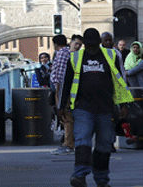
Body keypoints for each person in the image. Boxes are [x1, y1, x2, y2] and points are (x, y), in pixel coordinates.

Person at [61, 28, 133, 187]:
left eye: (95, 45)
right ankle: (79, 175)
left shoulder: (111, 55)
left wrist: (123, 105)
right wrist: (61, 107)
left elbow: (120, 81)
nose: (92, 48)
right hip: (82, 108)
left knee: (104, 145)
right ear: (84, 44)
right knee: (82, 140)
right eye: (89, 45)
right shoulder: (75, 58)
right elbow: (66, 83)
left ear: (99, 43)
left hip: (106, 108)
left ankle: (101, 179)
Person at [50, 34, 74, 155]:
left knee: (65, 115)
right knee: (67, 116)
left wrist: (58, 92)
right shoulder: (68, 52)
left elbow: (60, 75)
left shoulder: (61, 54)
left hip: (62, 89)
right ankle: (68, 141)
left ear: (55, 44)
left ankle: (68, 143)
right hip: (66, 88)